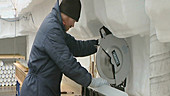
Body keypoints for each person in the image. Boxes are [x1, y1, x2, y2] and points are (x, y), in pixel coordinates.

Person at [20, 0, 107, 96]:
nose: (73, 25)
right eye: (74, 21)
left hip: (44, 87)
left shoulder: (56, 27)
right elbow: (66, 62)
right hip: (38, 89)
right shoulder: (52, 30)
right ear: (67, 15)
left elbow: (76, 47)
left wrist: (98, 44)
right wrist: (90, 81)